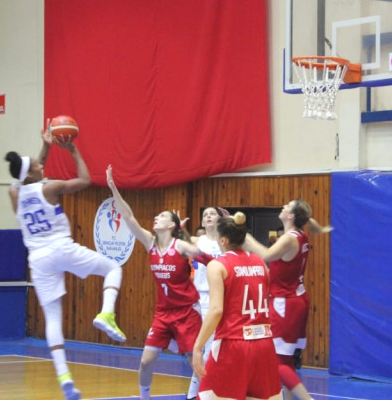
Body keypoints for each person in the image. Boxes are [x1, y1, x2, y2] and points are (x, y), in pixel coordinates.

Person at [5, 121, 126, 400]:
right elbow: (84, 181)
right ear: (33, 173)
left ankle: (64, 377)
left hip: (37, 259)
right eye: (37, 164)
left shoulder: (14, 193)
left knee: (53, 317)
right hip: (60, 248)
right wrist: (72, 151)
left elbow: (29, 174)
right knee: (113, 267)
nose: (40, 164)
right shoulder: (49, 188)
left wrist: (46, 147)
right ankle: (106, 313)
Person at [106, 164, 208, 400]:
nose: (156, 217)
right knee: (145, 361)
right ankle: (145, 398)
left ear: (172, 225)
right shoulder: (150, 242)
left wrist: (228, 264)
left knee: (196, 364)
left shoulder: (180, 245)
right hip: (163, 312)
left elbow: (207, 259)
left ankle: (216, 394)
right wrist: (113, 187)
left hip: (187, 311)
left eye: (162, 216)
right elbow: (128, 216)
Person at [243, 199, 326, 400]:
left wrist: (245, 236)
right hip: (295, 300)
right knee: (285, 360)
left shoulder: (289, 238)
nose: (283, 207)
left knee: (275, 361)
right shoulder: (301, 235)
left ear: (291, 216)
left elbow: (267, 255)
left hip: (285, 303)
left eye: (287, 206)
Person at [192, 212, 281, 399]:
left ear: (223, 240)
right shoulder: (261, 263)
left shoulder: (218, 265)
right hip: (264, 345)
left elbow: (216, 310)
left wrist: (198, 346)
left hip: (234, 344)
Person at [186, 208, 223, 399]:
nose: (208, 216)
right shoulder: (196, 241)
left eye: (212, 213)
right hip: (203, 298)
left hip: (223, 297)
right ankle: (195, 393)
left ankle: (195, 393)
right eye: (205, 214)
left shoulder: (225, 241)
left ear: (220, 219)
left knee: (215, 349)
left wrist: (230, 220)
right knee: (207, 349)